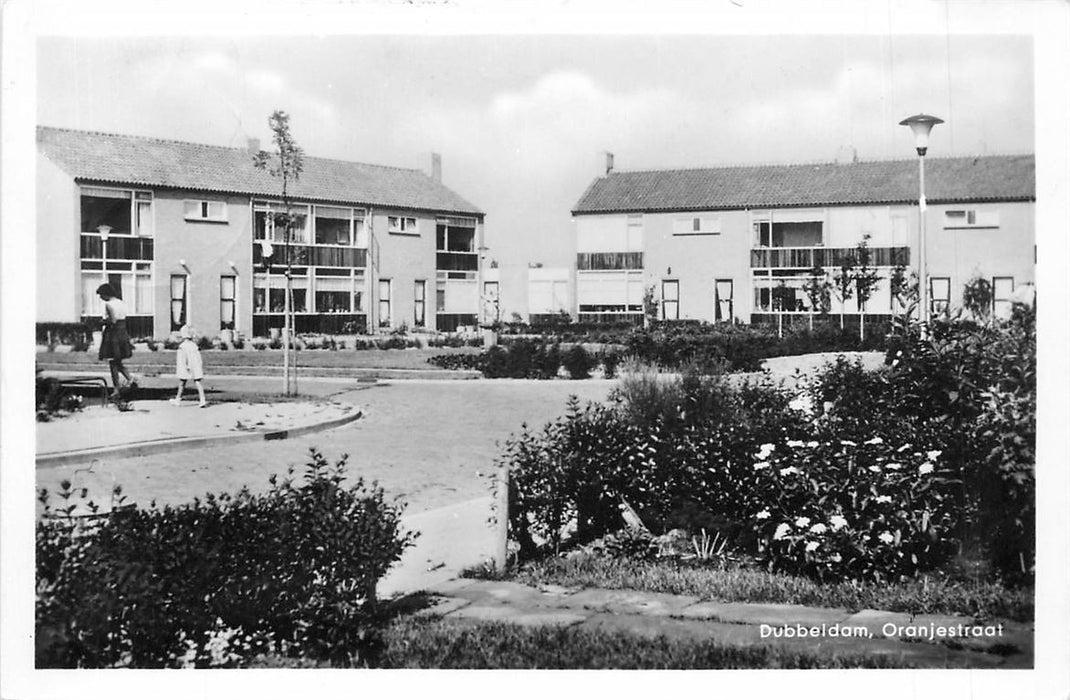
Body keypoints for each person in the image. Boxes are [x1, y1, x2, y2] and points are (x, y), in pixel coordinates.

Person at [95, 283, 135, 405]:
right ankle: (130, 379)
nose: (101, 298)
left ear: (106, 294)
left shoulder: (109, 304)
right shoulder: (121, 302)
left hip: (113, 333)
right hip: (122, 332)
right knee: (117, 361)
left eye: (101, 295)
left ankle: (116, 389)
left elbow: (112, 320)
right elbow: (122, 318)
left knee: (113, 362)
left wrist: (101, 322)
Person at [171, 325, 208, 408]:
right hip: (195, 365)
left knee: (182, 383)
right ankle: (202, 400)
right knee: (198, 382)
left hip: (187, 366)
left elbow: (183, 358)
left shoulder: (183, 346)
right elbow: (198, 357)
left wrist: (186, 366)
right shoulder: (194, 346)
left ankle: (178, 399)